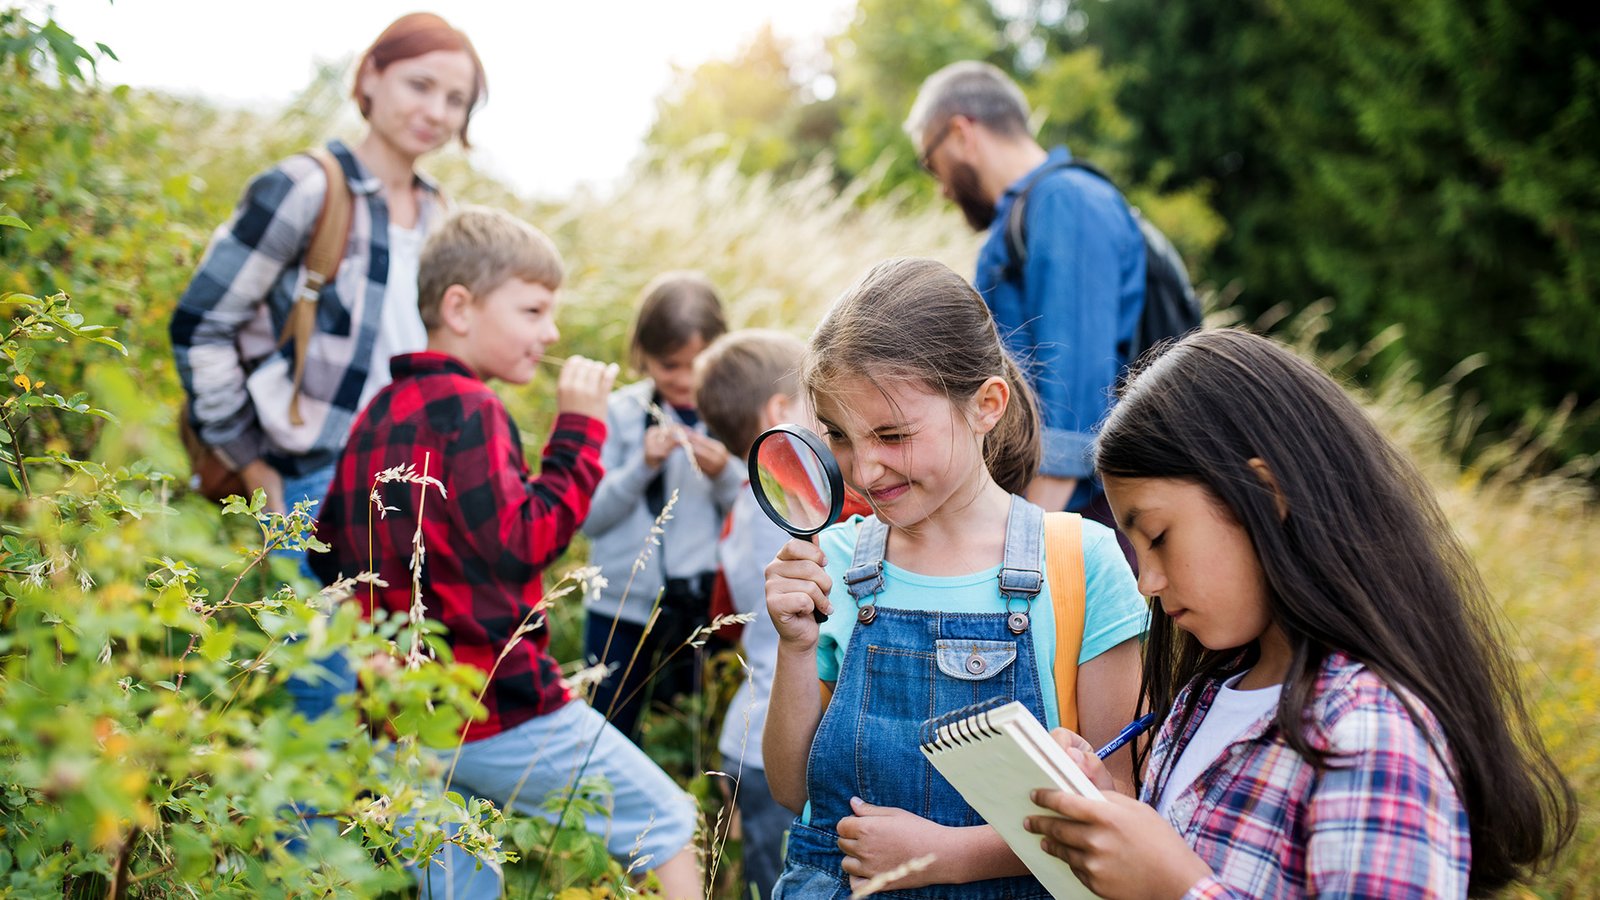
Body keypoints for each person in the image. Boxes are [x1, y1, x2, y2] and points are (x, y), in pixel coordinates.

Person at [1021, 329, 1576, 898]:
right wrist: (1107, 816)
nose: (1148, 580)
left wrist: (1175, 888)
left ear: (1265, 492)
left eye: (1159, 536)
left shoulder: (1367, 733)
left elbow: (1184, 877)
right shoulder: (1200, 702)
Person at [309, 207, 703, 899]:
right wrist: (579, 430)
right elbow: (527, 542)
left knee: (462, 880)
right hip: (495, 704)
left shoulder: (380, 410)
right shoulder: (473, 410)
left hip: (402, 713)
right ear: (459, 308)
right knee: (667, 822)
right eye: (533, 310)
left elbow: (327, 550)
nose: (550, 333)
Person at [762, 258, 1149, 898]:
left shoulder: (1080, 562)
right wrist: (795, 647)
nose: (863, 469)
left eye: (892, 434)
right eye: (838, 435)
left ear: (986, 406)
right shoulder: (831, 558)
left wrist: (950, 856)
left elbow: (1119, 803)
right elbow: (791, 790)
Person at [170, 12, 486, 723]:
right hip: (313, 479)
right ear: (371, 75)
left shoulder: (444, 214)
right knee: (325, 698)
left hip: (412, 491)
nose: (435, 111)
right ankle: (300, 836)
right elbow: (201, 325)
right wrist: (256, 469)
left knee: (408, 706)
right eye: (421, 84)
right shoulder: (307, 188)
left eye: (456, 99)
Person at [905, 60, 1145, 532]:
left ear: (961, 133)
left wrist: (1024, 548)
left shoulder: (1065, 200)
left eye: (931, 164)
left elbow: (1074, 405)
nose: (941, 190)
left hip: (1082, 520)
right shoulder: (1025, 214)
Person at [582, 272, 744, 742]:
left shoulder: (735, 416)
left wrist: (724, 475)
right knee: (606, 731)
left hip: (705, 607)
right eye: (670, 366)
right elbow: (590, 518)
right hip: (619, 608)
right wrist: (640, 467)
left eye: (699, 364)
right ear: (643, 357)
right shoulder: (619, 413)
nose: (686, 381)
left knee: (700, 736)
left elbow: (759, 512)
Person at [692, 328, 811, 899]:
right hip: (774, 743)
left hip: (751, 729)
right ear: (780, 413)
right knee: (780, 883)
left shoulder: (744, 498)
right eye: (818, 406)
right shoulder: (789, 505)